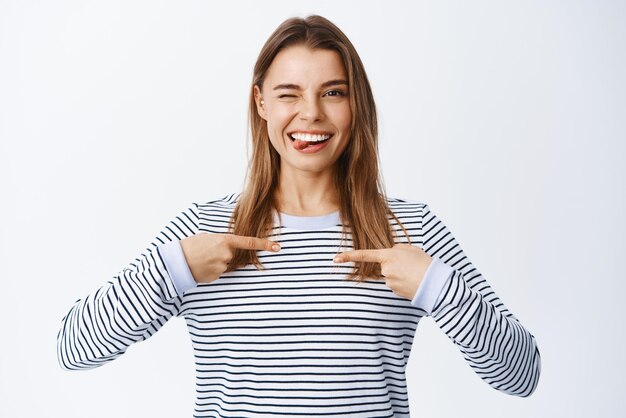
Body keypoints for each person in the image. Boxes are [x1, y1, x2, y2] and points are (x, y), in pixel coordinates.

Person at [57, 14, 541, 417]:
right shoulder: (203, 229)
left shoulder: (408, 230)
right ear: (261, 102)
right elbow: (74, 348)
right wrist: (172, 270)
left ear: (356, 106)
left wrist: (437, 286)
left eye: (333, 92)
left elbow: (522, 375)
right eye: (288, 93)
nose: (310, 113)